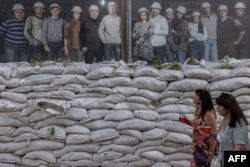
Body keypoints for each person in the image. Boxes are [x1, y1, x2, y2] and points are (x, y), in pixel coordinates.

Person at [183, 89, 217, 167]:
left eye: (196, 95)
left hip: (207, 149)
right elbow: (198, 127)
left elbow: (214, 134)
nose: (193, 97)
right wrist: (186, 121)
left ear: (202, 98)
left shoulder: (208, 113)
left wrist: (211, 153)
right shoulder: (198, 110)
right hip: (198, 147)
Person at [215, 92, 249, 167]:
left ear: (229, 108)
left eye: (220, 105)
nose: (217, 107)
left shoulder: (238, 123)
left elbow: (239, 147)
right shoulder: (223, 122)